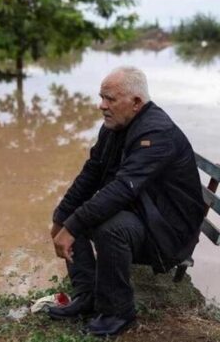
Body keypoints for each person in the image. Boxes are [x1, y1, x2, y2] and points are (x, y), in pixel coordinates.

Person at [48, 66, 205, 336]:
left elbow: (123, 188)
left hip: (169, 232)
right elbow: (92, 172)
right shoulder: (115, 126)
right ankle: (87, 296)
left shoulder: (157, 134)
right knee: (76, 216)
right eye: (101, 97)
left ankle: (118, 313)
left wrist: (72, 226)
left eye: (110, 99)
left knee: (110, 228)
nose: (102, 105)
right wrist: (62, 217)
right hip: (144, 212)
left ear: (136, 103)